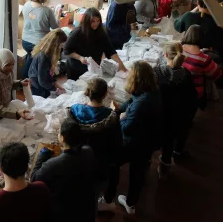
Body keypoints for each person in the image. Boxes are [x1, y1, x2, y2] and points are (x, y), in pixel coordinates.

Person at [102, 61, 162, 215]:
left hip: (135, 142)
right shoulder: (150, 92)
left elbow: (128, 128)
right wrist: (118, 111)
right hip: (148, 141)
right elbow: (129, 102)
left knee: (112, 163)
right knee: (138, 172)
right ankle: (131, 204)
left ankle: (108, 199)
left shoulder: (142, 103)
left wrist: (120, 118)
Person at [30, 118, 97, 222]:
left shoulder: (53, 164)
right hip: (87, 208)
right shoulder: (88, 151)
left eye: (59, 132)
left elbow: (34, 179)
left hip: (65, 212)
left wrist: (42, 157)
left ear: (62, 137)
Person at [154, 42, 197, 178]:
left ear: (165, 55)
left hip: (160, 115)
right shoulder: (186, 75)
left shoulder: (157, 72)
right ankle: (164, 171)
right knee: (168, 144)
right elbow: (192, 98)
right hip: (178, 117)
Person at [69, 78, 122, 189]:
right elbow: (116, 142)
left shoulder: (75, 110)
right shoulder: (110, 116)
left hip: (79, 158)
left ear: (88, 92)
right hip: (101, 159)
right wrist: (114, 111)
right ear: (104, 95)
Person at [64, 8, 127, 80]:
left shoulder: (101, 32)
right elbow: (66, 50)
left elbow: (111, 51)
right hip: (76, 66)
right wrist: (80, 57)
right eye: (93, 21)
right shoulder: (77, 33)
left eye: (98, 21)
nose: (96, 24)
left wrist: (122, 67)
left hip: (93, 65)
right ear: (87, 21)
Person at [0, 49, 33, 123]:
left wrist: (20, 83)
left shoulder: (6, 73)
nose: (11, 68)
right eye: (7, 65)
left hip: (5, 107)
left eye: (13, 64)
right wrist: (16, 113)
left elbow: (9, 85)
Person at [21, 0, 59, 78]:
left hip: (25, 41)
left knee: (30, 57)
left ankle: (23, 80)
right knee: (38, 61)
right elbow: (55, 27)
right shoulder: (47, 11)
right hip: (39, 44)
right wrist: (58, 14)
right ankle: (33, 80)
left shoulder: (26, 5)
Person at [181, 25, 223, 111]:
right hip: (194, 92)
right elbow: (216, 74)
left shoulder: (177, 49)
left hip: (178, 88)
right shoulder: (204, 58)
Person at [28, 29, 67, 98]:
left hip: (42, 82)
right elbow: (42, 80)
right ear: (55, 45)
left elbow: (48, 73)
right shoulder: (43, 57)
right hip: (38, 85)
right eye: (61, 46)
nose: (61, 48)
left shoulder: (49, 53)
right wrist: (55, 89)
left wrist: (56, 83)